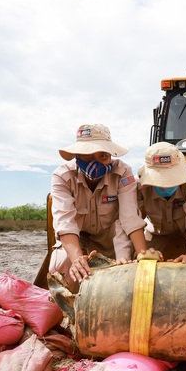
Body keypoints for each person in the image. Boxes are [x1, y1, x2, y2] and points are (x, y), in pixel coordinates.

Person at [49, 123, 149, 292]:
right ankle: (70, 313)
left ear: (110, 155)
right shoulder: (62, 177)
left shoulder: (123, 173)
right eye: (88, 157)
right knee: (61, 263)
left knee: (127, 269)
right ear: (77, 155)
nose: (95, 163)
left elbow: (129, 217)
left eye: (103, 156)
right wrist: (77, 260)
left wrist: (143, 255)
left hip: (112, 239)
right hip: (77, 239)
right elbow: (65, 223)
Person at [114, 142, 186, 263]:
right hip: (156, 234)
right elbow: (128, 219)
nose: (165, 184)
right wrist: (123, 256)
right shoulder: (138, 184)